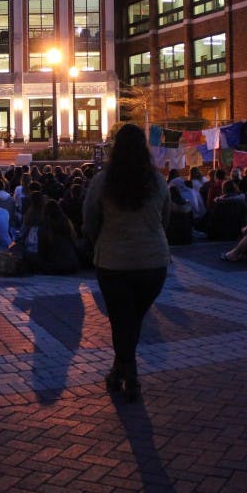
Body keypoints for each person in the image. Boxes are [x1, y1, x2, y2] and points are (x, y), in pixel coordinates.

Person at [82, 123, 170, 402]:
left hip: (114, 262)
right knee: (131, 320)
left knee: (123, 321)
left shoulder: (103, 181)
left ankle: (129, 377)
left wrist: (101, 241)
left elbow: (89, 221)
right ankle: (120, 372)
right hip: (153, 263)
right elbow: (164, 220)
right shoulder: (157, 181)